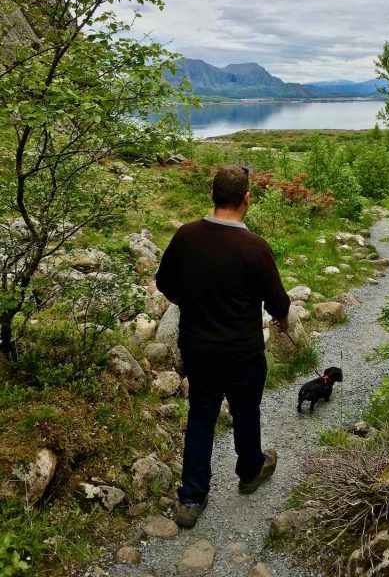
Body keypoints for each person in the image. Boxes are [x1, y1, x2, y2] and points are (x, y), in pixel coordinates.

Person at [155, 164, 290, 529]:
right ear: (246, 199)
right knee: (246, 410)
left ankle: (192, 498)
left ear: (213, 196)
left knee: (201, 416)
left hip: (198, 349)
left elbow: (163, 282)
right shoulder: (255, 247)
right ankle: (250, 471)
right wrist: (282, 318)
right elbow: (278, 301)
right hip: (243, 352)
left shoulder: (186, 236)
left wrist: (191, 301)